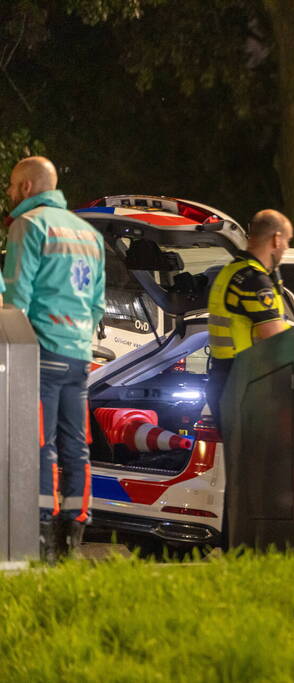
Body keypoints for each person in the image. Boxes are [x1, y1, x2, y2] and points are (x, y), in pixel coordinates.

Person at [3, 156, 105, 562]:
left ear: (27, 187)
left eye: (12, 186)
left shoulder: (29, 226)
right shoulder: (90, 235)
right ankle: (73, 536)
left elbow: (15, 302)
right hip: (79, 355)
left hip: (42, 351)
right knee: (76, 446)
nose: (10, 195)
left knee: (39, 444)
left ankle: (41, 533)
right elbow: (97, 305)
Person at [205, 209, 293, 429]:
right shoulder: (255, 281)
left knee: (240, 461)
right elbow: (274, 340)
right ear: (277, 239)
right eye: (288, 241)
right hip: (244, 384)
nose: (287, 248)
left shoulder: (231, 271)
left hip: (223, 380)